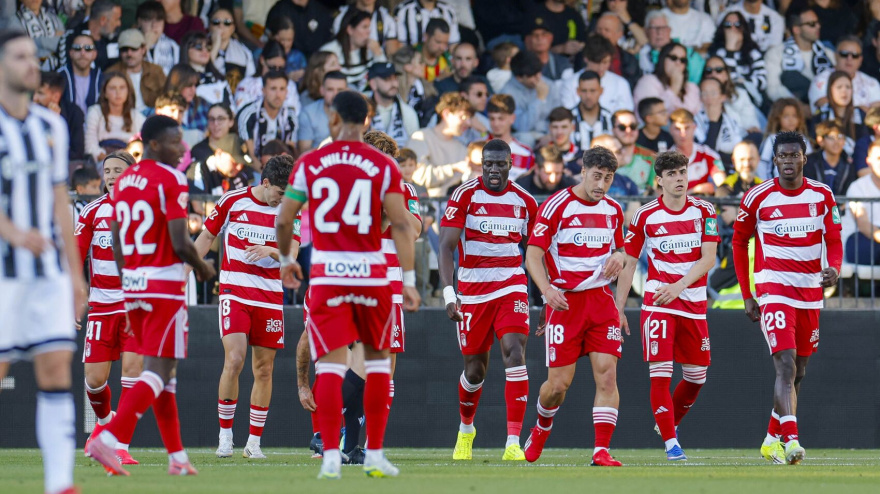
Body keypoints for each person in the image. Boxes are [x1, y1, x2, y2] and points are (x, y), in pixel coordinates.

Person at [275, 90, 420, 479]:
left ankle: (330, 458)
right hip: (372, 274)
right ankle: (373, 455)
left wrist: (288, 260)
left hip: (327, 274)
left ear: (333, 120)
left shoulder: (310, 163)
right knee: (377, 366)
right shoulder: (383, 165)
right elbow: (403, 224)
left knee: (332, 366)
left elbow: (284, 218)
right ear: (367, 121)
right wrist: (407, 279)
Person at [85, 115, 216, 477]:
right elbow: (178, 240)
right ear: (155, 145)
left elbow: (117, 240)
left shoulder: (125, 181)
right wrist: (203, 267)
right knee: (157, 372)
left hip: (135, 286)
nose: (183, 149)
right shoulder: (171, 178)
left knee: (165, 374)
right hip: (164, 286)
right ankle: (108, 438)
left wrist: (129, 281)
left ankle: (177, 457)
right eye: (176, 142)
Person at [0, 30, 87, 494]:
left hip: (48, 274)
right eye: (19, 56)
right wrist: (12, 232)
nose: (31, 64)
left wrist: (76, 276)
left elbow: (60, 205)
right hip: (3, 275)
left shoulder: (50, 126)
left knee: (55, 372)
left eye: (33, 56)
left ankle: (60, 484)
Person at [732, 131, 842, 465]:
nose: (789, 161)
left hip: (809, 290)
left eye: (795, 155)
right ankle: (791, 440)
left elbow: (834, 240)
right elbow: (739, 243)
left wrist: (833, 269)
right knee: (786, 363)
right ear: (775, 160)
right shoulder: (757, 197)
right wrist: (748, 293)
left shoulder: (822, 195)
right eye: (783, 156)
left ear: (804, 158)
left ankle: (770, 438)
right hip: (773, 286)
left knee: (800, 371)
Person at [521, 145, 626, 467]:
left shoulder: (613, 210)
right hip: (564, 303)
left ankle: (601, 451)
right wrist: (546, 290)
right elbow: (532, 256)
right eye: (597, 176)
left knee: (607, 376)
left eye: (608, 179)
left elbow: (621, 248)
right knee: (558, 385)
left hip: (600, 301)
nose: (602, 185)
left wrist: (619, 256)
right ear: (582, 171)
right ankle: (542, 426)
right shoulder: (556, 206)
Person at [616, 150, 720, 461]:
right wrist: (618, 308)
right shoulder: (645, 215)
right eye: (672, 174)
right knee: (660, 372)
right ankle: (672, 445)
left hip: (692, 302)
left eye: (683, 172)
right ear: (659, 181)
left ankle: (668, 424)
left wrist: (679, 286)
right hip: (659, 303)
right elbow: (630, 261)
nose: (679, 179)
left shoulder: (705, 211)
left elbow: (709, 258)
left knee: (696, 376)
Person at [439, 139, 538, 462]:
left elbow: (537, 251)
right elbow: (446, 247)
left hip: (511, 286)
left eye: (500, 164)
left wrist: (547, 295)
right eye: (488, 164)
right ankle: (466, 429)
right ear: (481, 164)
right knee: (475, 371)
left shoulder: (524, 200)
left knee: (514, 353)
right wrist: (448, 292)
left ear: (511, 164)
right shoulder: (465, 194)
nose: (493, 170)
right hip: (472, 292)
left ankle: (513, 442)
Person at [190, 155, 294, 459]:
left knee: (264, 368)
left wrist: (272, 251)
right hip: (235, 292)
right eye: (280, 193)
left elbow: (293, 254)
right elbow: (207, 235)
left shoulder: (291, 210)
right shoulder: (233, 201)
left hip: (270, 296)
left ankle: (254, 443)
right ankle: (225, 437)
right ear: (265, 184)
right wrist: (185, 272)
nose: (283, 199)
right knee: (234, 359)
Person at [77, 151, 143, 466]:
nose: (112, 175)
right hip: (102, 307)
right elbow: (76, 258)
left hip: (136, 307)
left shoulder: (146, 212)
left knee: (132, 373)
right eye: (108, 170)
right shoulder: (91, 212)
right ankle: (104, 424)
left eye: (119, 169)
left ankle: (119, 446)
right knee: (94, 380)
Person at [406, 92, 473, 196]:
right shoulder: (421, 137)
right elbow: (419, 175)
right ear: (446, 114)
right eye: (463, 117)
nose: (469, 123)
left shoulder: (462, 148)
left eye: (469, 118)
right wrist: (453, 168)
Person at [765, 8, 834, 104]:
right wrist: (798, 106)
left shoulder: (828, 54)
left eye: (818, 22)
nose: (818, 26)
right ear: (796, 29)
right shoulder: (776, 53)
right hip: (791, 109)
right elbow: (773, 88)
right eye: (812, 24)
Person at [709, 11, 768, 110]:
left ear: (744, 28)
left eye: (737, 24)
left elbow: (762, 82)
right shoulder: (718, 53)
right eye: (728, 25)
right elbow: (723, 82)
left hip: (751, 102)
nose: (732, 28)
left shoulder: (753, 53)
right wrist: (730, 49)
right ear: (722, 29)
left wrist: (743, 82)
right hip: (725, 101)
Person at [561, 34, 634, 114]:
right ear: (586, 58)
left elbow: (627, 114)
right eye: (597, 62)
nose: (601, 68)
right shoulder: (570, 84)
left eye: (605, 62)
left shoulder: (621, 83)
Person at [237, 70, 297, 165]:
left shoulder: (290, 116)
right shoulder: (248, 114)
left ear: (287, 92)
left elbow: (290, 152)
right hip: (254, 168)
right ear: (263, 90)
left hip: (281, 169)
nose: (278, 95)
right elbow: (250, 156)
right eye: (273, 89)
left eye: (282, 89)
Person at [85, 72, 147, 163]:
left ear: (128, 91)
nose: (118, 93)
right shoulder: (95, 112)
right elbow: (90, 147)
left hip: (129, 161)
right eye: (112, 88)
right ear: (105, 93)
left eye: (122, 88)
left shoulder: (137, 117)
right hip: (102, 162)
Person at [501, 50, 560, 145]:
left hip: (550, 133)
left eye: (539, 73)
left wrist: (551, 135)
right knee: (525, 138)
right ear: (519, 77)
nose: (538, 78)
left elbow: (559, 116)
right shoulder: (507, 92)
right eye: (532, 76)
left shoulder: (549, 85)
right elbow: (523, 126)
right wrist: (540, 99)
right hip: (524, 138)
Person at [809, 36, 880, 113]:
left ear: (860, 60)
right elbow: (824, 106)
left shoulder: (871, 82)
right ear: (835, 56)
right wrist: (860, 110)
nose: (849, 59)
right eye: (844, 54)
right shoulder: (821, 79)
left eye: (855, 55)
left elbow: (876, 114)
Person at [319, 9, 385, 92]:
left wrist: (378, 54)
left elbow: (385, 77)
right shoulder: (330, 51)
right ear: (350, 30)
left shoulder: (372, 48)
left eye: (369, 27)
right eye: (364, 27)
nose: (368, 31)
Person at [234, 40, 301, 117]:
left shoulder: (290, 85)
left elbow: (294, 113)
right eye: (272, 67)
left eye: (280, 68)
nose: (276, 71)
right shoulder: (246, 85)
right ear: (262, 60)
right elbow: (242, 113)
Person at [633, 42, 701, 117]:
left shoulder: (692, 88)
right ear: (663, 59)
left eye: (682, 60)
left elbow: (696, 117)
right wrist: (674, 87)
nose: (678, 63)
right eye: (673, 58)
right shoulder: (648, 81)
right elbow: (651, 116)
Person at [638, 10, 704, 85]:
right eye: (654, 28)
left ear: (669, 31)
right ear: (646, 31)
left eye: (663, 28)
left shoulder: (688, 55)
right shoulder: (640, 55)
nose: (659, 33)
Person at [810, 70, 869, 156]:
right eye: (839, 87)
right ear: (830, 90)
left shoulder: (860, 114)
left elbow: (866, 143)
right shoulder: (822, 115)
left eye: (848, 87)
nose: (844, 91)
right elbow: (815, 145)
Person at [107, 29, 167, 111]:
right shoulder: (111, 73)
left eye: (134, 49)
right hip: (124, 116)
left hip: (153, 116)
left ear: (143, 50)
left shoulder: (156, 71)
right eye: (125, 49)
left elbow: (167, 97)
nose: (129, 54)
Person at [670, 109, 726, 195]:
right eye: (677, 129)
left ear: (694, 128)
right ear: (670, 130)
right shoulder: (664, 161)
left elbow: (723, 186)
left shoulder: (709, 154)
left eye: (687, 128)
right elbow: (664, 198)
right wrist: (695, 190)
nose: (683, 134)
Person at [33, 71, 85, 161]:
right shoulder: (28, 111)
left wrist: (55, 124)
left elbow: (77, 154)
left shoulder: (74, 113)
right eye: (33, 92)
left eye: (40, 93)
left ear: (56, 96)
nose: (34, 98)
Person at [702, 55, 761, 133]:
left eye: (718, 70)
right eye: (708, 70)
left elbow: (751, 125)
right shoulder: (698, 96)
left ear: (726, 75)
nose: (713, 73)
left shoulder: (740, 94)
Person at [845, 139, 880, 266]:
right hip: (862, 238)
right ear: (868, 161)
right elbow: (864, 225)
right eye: (879, 158)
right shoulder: (857, 187)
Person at [58, 0, 121, 70]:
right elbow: (64, 71)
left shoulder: (113, 39)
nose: (119, 24)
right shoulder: (72, 37)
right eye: (116, 19)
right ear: (103, 20)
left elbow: (118, 67)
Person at [369, 62, 420, 147]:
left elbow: (415, 147)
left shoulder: (408, 113)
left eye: (395, 78)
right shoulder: (362, 111)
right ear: (373, 84)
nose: (394, 83)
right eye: (387, 79)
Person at [759, 99, 813, 179]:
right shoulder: (771, 140)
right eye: (786, 116)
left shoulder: (803, 140)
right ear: (777, 118)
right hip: (775, 188)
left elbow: (810, 164)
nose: (791, 120)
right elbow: (763, 165)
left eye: (794, 116)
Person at [695, 77, 747, 160]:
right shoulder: (694, 121)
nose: (709, 98)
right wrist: (713, 123)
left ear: (723, 96)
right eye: (704, 93)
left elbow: (741, 145)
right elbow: (706, 154)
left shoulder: (732, 116)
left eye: (713, 93)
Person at [804, 119, 859, 198]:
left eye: (840, 137)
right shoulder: (809, 162)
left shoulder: (849, 164)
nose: (836, 142)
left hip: (839, 209)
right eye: (831, 137)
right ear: (820, 140)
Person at [297, 70, 347, 154]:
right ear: (322, 90)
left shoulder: (354, 113)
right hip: (318, 163)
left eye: (340, 90)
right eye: (330, 89)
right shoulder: (308, 114)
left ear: (347, 91)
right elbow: (304, 152)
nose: (335, 94)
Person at [486, 93, 535, 180]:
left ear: (512, 118)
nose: (496, 124)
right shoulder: (477, 148)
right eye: (492, 119)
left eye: (501, 119)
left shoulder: (526, 153)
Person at [332, 0, 401, 56]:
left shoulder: (386, 17)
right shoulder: (341, 16)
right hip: (346, 64)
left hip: (376, 67)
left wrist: (378, 53)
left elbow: (392, 53)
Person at [613, 109, 656, 194]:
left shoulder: (650, 157)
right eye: (622, 127)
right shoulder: (604, 156)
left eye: (633, 126)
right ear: (612, 130)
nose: (628, 131)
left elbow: (653, 192)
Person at [59, 33, 102, 117]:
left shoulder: (102, 79)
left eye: (88, 48)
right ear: (71, 53)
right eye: (77, 48)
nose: (82, 53)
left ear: (94, 54)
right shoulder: (59, 78)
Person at [570, 70, 613, 154]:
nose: (588, 96)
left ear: (601, 91)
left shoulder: (611, 118)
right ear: (578, 91)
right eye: (584, 91)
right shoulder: (568, 118)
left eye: (592, 90)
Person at [208, 7, 256, 80]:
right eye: (216, 21)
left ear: (233, 28)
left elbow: (250, 82)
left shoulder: (244, 52)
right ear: (210, 26)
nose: (221, 26)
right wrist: (216, 45)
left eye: (227, 22)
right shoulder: (199, 46)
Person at [594, 12, 640, 88]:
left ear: (619, 34)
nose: (602, 33)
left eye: (607, 30)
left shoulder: (630, 60)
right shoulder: (584, 56)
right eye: (599, 30)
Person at [15, 0, 64, 70]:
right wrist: (51, 42)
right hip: (31, 72)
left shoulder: (55, 19)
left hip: (58, 71)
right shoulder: (15, 21)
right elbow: (21, 49)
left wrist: (37, 41)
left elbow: (63, 43)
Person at [521, 18, 572, 83]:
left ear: (551, 38)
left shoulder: (563, 63)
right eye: (535, 35)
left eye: (544, 35)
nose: (539, 38)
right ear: (527, 40)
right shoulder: (521, 64)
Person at [137, 1, 180, 76]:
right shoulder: (129, 44)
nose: (154, 25)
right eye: (149, 20)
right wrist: (146, 47)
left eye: (159, 20)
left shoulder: (173, 46)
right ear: (139, 21)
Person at [395, 0, 461, 47]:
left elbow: (453, 44)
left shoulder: (448, 11)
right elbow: (400, 46)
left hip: (443, 63)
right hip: (413, 62)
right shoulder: (404, 11)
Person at [418, 18, 452, 83]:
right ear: (426, 37)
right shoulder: (411, 57)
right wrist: (438, 80)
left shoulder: (447, 60)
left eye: (445, 43)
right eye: (438, 42)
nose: (442, 47)